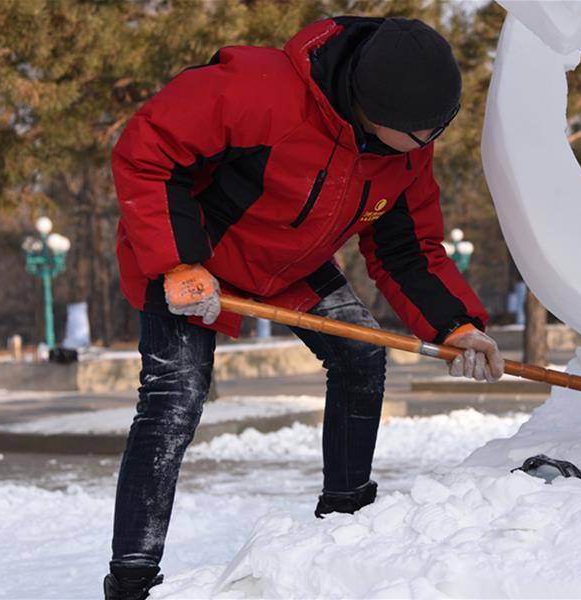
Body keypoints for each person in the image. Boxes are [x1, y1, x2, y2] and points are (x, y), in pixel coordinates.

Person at [104, 16, 504, 600]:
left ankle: (343, 527)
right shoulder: (260, 91)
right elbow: (146, 150)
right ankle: (133, 580)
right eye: (418, 134)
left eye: (436, 131)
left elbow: (407, 250)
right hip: (193, 254)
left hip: (291, 262)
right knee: (173, 401)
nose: (428, 146)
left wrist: (458, 326)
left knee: (362, 357)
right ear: (368, 108)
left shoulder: (408, 151)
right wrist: (179, 261)